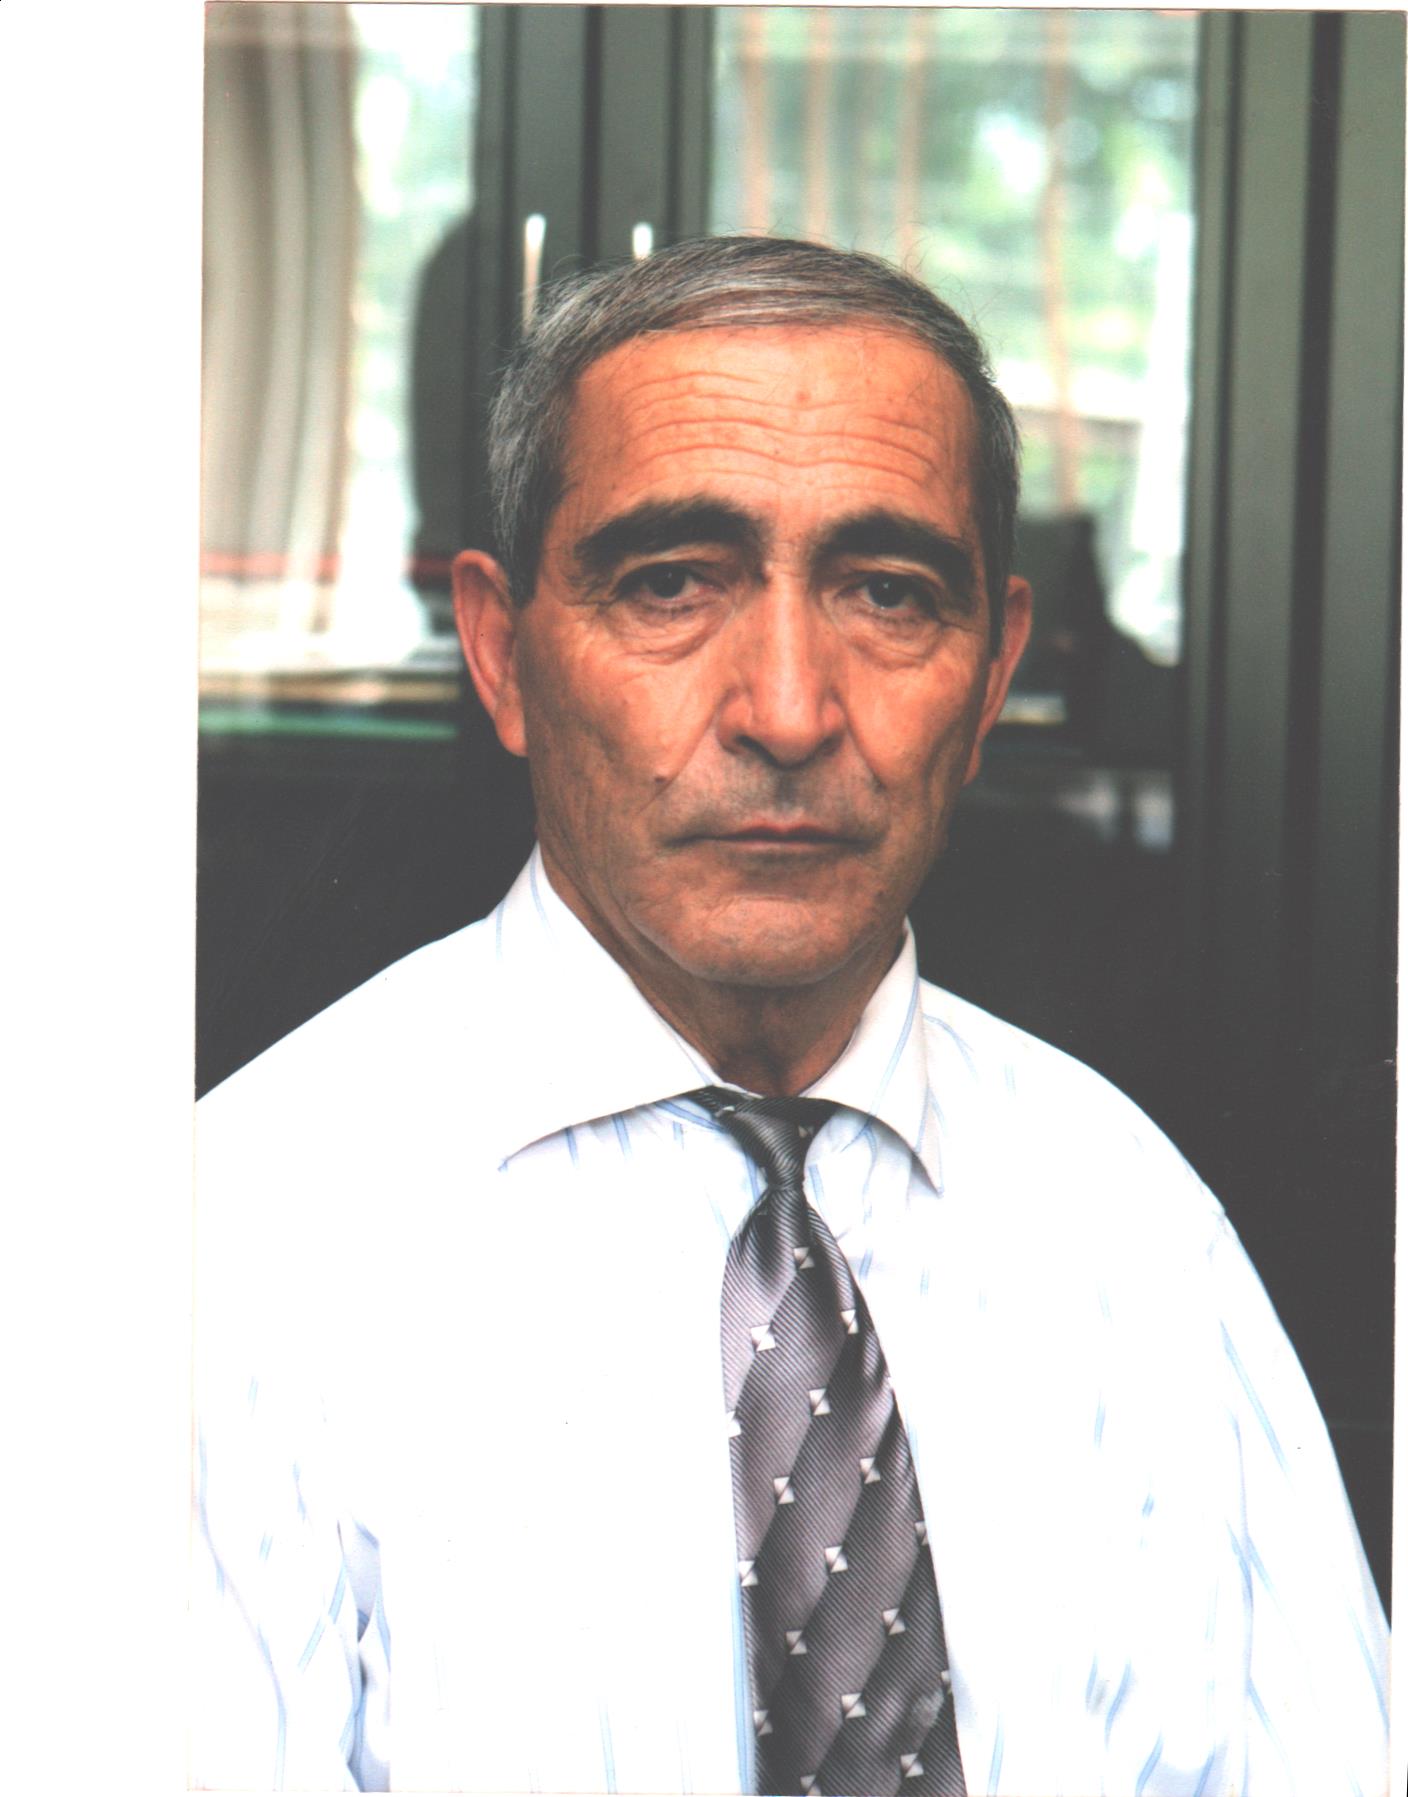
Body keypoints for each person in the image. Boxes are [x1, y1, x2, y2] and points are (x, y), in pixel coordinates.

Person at [192, 237, 1388, 1796]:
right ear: (502, 652)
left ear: (991, 675)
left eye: (889, 595)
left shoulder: (1138, 1230)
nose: (787, 710)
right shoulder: (231, 1253)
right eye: (671, 585)